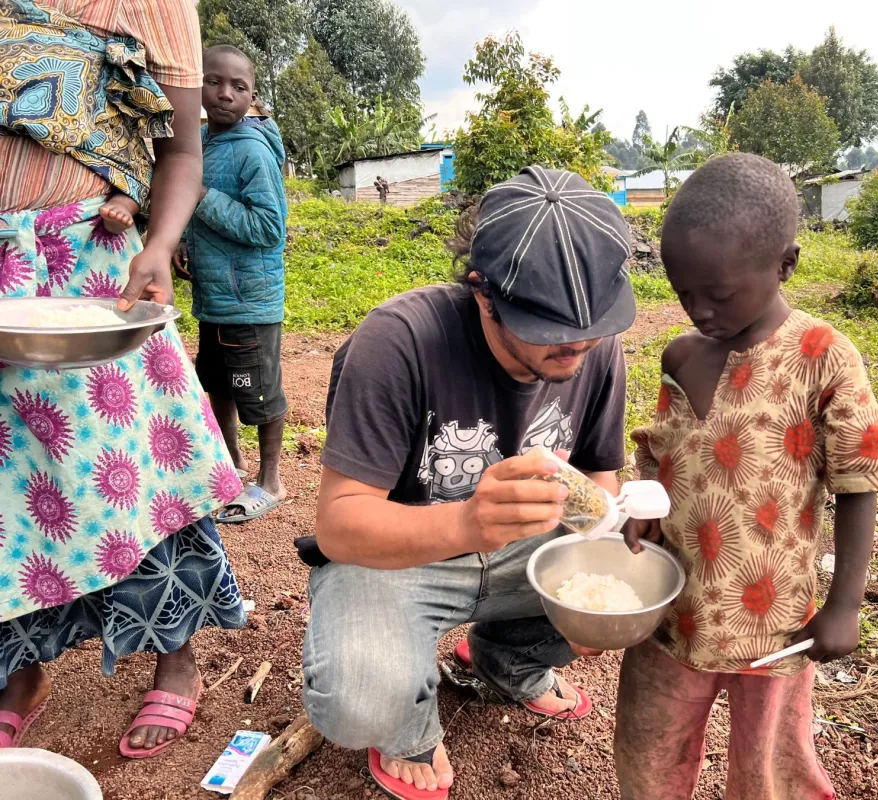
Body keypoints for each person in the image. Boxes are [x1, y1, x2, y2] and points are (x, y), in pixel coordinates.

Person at [303, 166, 634, 799]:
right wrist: (464, 523)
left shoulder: (595, 350)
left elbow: (598, 476)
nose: (578, 345)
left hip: (523, 552)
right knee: (360, 700)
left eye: (594, 325)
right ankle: (406, 724)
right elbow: (341, 524)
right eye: (550, 329)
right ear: (484, 294)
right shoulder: (399, 341)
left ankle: (508, 659)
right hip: (398, 560)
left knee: (637, 574)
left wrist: (597, 584)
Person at [0, 0, 244, 759]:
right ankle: (19, 674)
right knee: (9, 489)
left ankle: (176, 657)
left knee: (136, 470)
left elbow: (181, 153)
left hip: (93, 267)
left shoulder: (152, 5)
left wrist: (159, 244)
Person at [615, 153, 878, 800]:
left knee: (767, 769)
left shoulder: (822, 356)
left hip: (774, 627)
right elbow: (663, 453)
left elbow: (859, 481)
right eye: (682, 291)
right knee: (648, 754)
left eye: (717, 295)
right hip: (674, 614)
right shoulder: (680, 356)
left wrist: (844, 606)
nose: (698, 310)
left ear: (785, 265)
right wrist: (644, 509)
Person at [176, 44, 289, 524]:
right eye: (214, 81)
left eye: (238, 87)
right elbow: (188, 206)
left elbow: (269, 227)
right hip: (214, 299)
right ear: (197, 85)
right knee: (217, 383)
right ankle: (232, 464)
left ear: (252, 96)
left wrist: (203, 196)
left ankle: (271, 480)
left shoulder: (251, 151)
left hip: (250, 303)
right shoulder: (201, 143)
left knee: (259, 394)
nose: (225, 93)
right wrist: (183, 242)